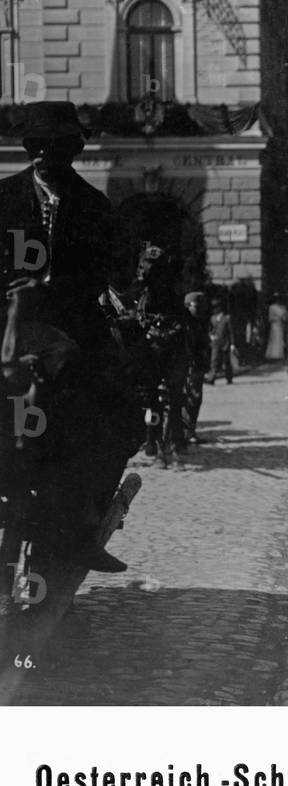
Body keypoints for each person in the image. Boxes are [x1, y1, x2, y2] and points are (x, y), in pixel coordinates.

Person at [0, 101, 140, 573]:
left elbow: (102, 274)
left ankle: (81, 526)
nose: (43, 155)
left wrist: (51, 287)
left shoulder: (95, 208)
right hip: (8, 323)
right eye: (36, 146)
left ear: (73, 150)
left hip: (72, 325)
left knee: (117, 416)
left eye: (55, 147)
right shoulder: (4, 198)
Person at [182, 291, 211, 444]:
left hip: (198, 367)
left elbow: (204, 346)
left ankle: (190, 430)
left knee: (196, 399)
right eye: (196, 307)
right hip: (188, 367)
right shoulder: (186, 326)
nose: (200, 311)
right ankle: (186, 432)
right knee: (189, 399)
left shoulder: (199, 323)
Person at [205, 297, 234, 385]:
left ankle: (229, 378)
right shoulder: (212, 318)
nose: (215, 310)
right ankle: (211, 379)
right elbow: (210, 330)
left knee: (226, 362)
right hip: (215, 343)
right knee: (214, 361)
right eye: (214, 308)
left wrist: (232, 344)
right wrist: (211, 336)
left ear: (220, 308)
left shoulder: (227, 318)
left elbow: (231, 332)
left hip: (225, 342)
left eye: (216, 308)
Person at [265, 295, 285, 360]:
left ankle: (279, 355)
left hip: (280, 325)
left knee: (279, 339)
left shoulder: (281, 307)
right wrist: (278, 318)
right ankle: (273, 355)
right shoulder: (272, 307)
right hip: (274, 325)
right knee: (274, 339)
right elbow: (270, 318)